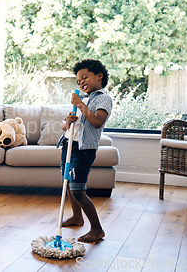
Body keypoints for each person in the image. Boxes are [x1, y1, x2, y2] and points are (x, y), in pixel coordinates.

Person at [58, 59, 112, 242]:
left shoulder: (102, 98)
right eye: (78, 81)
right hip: (68, 146)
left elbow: (97, 121)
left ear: (99, 76)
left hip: (82, 150)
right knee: (68, 183)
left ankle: (97, 229)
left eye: (84, 77)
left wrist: (80, 104)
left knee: (77, 190)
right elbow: (64, 127)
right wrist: (67, 121)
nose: (81, 82)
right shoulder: (84, 100)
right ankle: (77, 217)